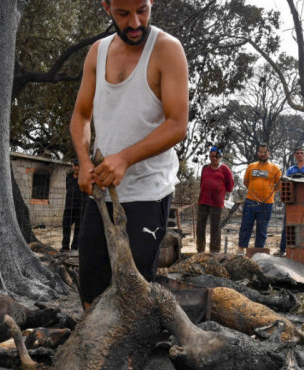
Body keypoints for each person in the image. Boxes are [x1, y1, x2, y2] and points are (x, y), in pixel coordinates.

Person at [69, 0, 188, 309]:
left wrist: (124, 158)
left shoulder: (167, 49)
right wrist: (83, 161)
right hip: (102, 194)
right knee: (92, 292)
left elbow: (177, 125)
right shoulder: (98, 52)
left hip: (148, 192)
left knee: (134, 298)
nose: (136, 22)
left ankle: (136, 356)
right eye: (124, 14)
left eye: (143, 10)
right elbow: (81, 116)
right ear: (107, 7)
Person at [238, 143, 282, 255]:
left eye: (264, 152)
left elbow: (280, 183)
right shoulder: (251, 166)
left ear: (269, 153)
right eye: (260, 152)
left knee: (262, 229)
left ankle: (258, 252)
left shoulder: (275, 168)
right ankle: (241, 250)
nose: (262, 154)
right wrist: (254, 192)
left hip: (266, 203)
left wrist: (269, 193)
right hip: (250, 202)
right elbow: (246, 181)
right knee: (246, 226)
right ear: (258, 153)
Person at [276, 147, 304, 257]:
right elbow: (286, 183)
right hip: (292, 202)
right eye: (297, 153)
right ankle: (282, 249)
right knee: (287, 226)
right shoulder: (291, 170)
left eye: (301, 153)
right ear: (295, 156)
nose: (299, 155)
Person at [196, 146, 234, 253]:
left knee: (215, 228)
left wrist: (220, 193)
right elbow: (202, 183)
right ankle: (200, 250)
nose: (214, 159)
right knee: (200, 227)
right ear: (209, 157)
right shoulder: (205, 168)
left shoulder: (225, 169)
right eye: (212, 156)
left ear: (220, 157)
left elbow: (230, 185)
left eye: (217, 157)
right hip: (203, 201)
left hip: (217, 203)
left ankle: (215, 251)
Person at [60, 159, 86, 253]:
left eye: (79, 165)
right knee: (66, 225)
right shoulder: (69, 176)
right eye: (75, 165)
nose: (77, 167)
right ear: (72, 166)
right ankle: (65, 247)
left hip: (81, 207)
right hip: (69, 206)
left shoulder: (84, 177)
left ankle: (75, 247)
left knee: (78, 228)